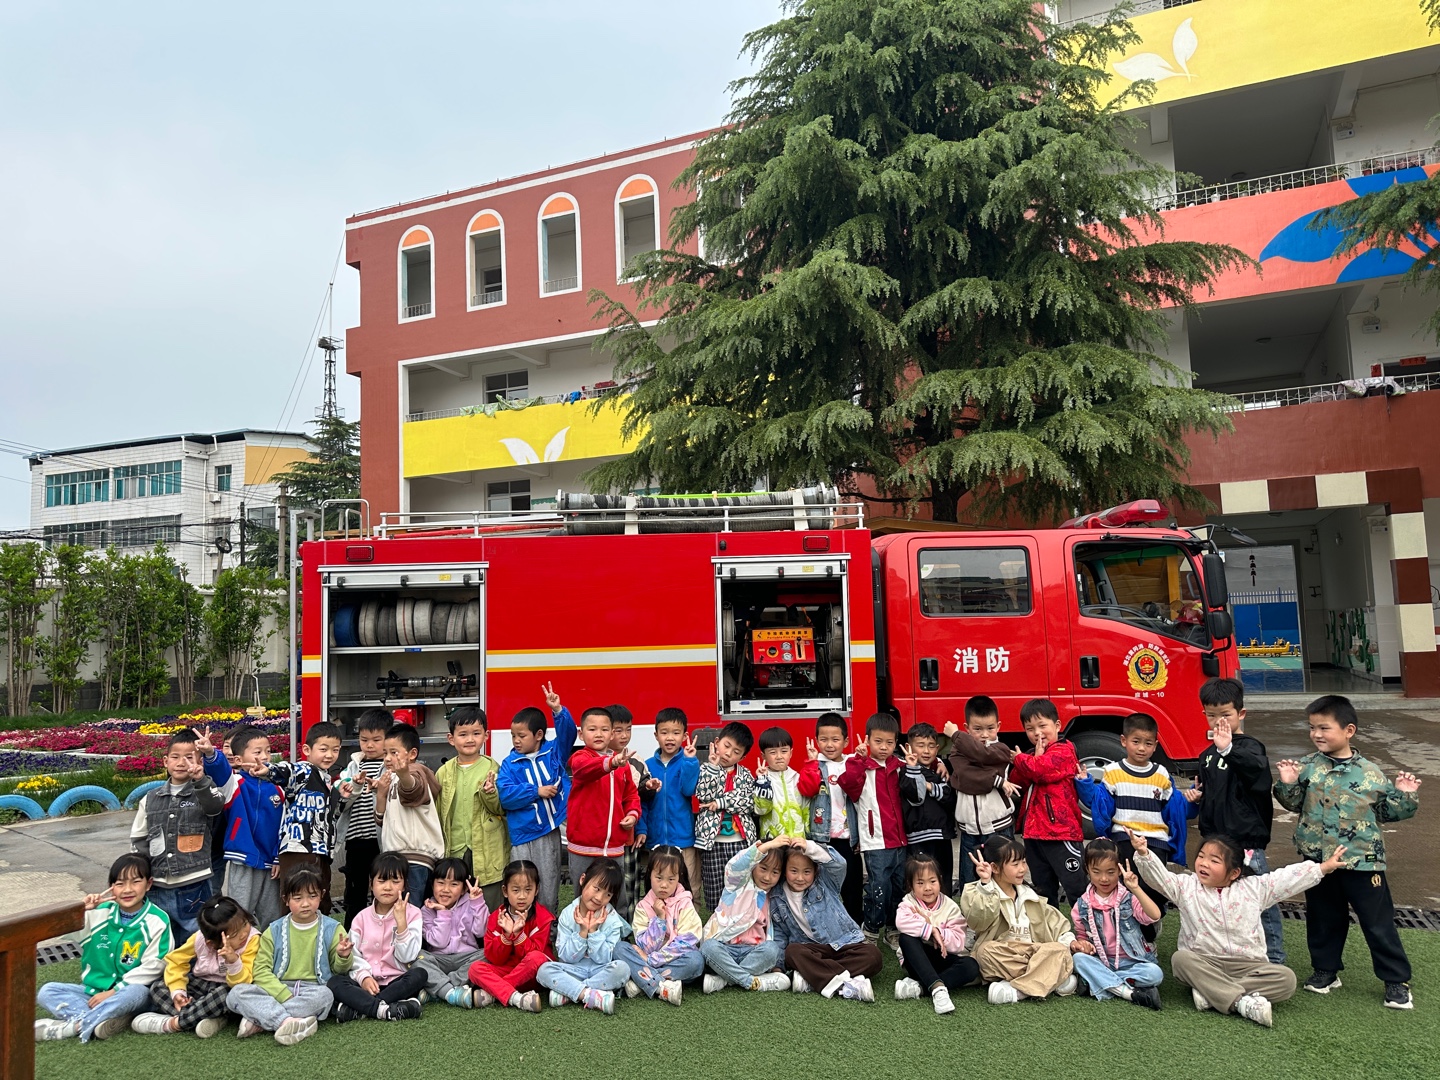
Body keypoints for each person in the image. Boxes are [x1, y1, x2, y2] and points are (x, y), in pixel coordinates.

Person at [1274, 694, 1422, 1010]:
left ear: (1349, 730)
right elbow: (1293, 804)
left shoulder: (1370, 772)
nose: (1316, 734)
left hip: (1363, 861)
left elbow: (1389, 812)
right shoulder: (1307, 767)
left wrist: (1405, 796)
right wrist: (1287, 783)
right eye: (1312, 727)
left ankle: (1396, 981)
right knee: (1323, 917)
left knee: (1378, 923)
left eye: (1324, 728)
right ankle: (1325, 971)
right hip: (1319, 860)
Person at [1132, 829, 1348, 1027]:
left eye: (1214, 860)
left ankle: (1212, 994)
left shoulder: (1254, 889)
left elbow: (1286, 879)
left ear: (1234, 872)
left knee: (1287, 979)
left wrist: (1322, 868)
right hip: (1205, 962)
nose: (1204, 864)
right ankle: (1241, 1002)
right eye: (1201, 856)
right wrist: (1144, 854)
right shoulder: (1185, 887)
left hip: (1249, 965)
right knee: (1180, 960)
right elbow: (1160, 879)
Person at [1192, 677, 1283, 963]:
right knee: (1217, 900)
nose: (1219, 721)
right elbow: (1211, 794)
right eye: (1211, 715)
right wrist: (1197, 797)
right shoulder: (1207, 755)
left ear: (1241, 713)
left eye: (1226, 714)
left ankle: (1274, 958)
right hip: (1215, 842)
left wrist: (1228, 750)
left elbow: (1258, 775)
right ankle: (1226, 953)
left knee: (1260, 900)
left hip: (1246, 843)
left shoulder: (1250, 748)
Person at [35, 854, 172, 1043]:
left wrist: (113, 992)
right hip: (91, 993)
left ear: (148, 884)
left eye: (136, 882)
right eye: (120, 884)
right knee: (47, 991)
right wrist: (81, 909)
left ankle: (74, 1027)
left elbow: (155, 966)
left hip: (130, 994)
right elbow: (55, 930)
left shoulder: (158, 920)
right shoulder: (98, 913)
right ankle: (104, 1019)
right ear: (111, 887)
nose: (128, 890)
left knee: (137, 992)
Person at [1074, 712, 1180, 941]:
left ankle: (1150, 930)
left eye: (1148, 743)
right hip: (1123, 839)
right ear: (1124, 741)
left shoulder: (1161, 773)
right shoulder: (1113, 772)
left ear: (1155, 745)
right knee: (1124, 888)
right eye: (1136, 741)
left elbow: (1173, 809)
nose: (1142, 748)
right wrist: (1084, 783)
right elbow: (1099, 803)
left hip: (1155, 842)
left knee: (1154, 888)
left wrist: (1191, 800)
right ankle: (1126, 936)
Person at [226, 864, 351, 1045]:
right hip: (275, 989)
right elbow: (260, 971)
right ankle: (288, 1022)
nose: (305, 904)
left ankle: (260, 1020)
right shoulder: (274, 930)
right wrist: (284, 995)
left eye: (312, 896)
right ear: (286, 899)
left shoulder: (333, 929)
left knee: (326, 996)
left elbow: (340, 971)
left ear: (322, 895)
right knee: (236, 993)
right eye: (298, 898)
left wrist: (343, 956)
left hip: (313, 990)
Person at [960, 837, 1080, 1004]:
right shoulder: (977, 891)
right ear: (995, 867)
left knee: (1059, 950)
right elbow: (978, 921)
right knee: (984, 952)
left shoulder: (1030, 895)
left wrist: (1071, 942)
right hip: (1003, 954)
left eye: (1023, 862)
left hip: (1034, 952)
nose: (1022, 868)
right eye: (1015, 864)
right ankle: (1052, 977)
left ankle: (1017, 992)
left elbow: (1057, 926)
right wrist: (986, 885)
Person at [129, 728, 224, 936]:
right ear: (165, 761)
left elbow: (215, 806)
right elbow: (139, 839)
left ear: (200, 762)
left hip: (195, 883)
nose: (182, 762)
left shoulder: (205, 790)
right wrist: (140, 875)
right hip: (157, 884)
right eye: (175, 757)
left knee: (197, 936)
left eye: (189, 757)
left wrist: (200, 780)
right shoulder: (150, 798)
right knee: (160, 934)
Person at [496, 681, 577, 922]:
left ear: (539, 735)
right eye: (513, 736)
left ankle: (548, 933)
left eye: (521, 736)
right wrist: (536, 791)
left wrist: (558, 711)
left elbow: (569, 735)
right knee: (521, 888)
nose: (516, 740)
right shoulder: (509, 764)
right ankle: (519, 931)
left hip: (548, 832)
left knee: (548, 886)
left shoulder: (553, 752)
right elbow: (506, 796)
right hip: (522, 836)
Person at [770, 837, 882, 1002]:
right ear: (784, 869)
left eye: (806, 872)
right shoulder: (777, 897)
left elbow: (839, 864)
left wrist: (810, 847)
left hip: (843, 945)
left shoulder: (825, 883)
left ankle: (812, 978)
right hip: (812, 950)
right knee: (792, 952)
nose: (800, 878)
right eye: (793, 871)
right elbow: (780, 935)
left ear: (816, 871)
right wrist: (778, 967)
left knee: (873, 956)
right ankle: (844, 984)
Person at [130, 895, 260, 1037]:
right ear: (211, 943)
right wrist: (178, 992)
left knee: (226, 995)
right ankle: (207, 1016)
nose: (244, 933)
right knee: (158, 987)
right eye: (235, 934)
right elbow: (176, 961)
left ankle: (173, 1024)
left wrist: (233, 960)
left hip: (228, 988)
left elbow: (244, 983)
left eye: (245, 923)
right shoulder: (199, 939)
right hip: (201, 986)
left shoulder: (252, 939)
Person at [199, 724, 286, 930]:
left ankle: (268, 948)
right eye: (257, 752)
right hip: (243, 859)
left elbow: (284, 826)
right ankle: (238, 948)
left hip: (271, 863)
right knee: (239, 913)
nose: (265, 757)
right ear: (238, 760)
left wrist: (278, 857)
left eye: (268, 751)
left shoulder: (279, 788)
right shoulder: (234, 784)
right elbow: (219, 771)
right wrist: (210, 753)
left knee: (272, 916)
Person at [837, 713, 908, 951]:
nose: (884, 747)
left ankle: (893, 929)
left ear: (896, 742)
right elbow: (848, 784)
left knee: (898, 888)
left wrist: (936, 763)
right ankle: (870, 929)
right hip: (875, 841)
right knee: (878, 889)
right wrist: (858, 759)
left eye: (889, 742)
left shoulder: (899, 767)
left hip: (900, 841)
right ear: (867, 740)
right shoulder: (861, 767)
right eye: (878, 741)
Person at [328, 852, 425, 1022]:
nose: (388, 887)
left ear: (405, 885)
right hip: (364, 984)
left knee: (419, 975)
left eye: (395, 881)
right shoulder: (361, 918)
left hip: (397, 981)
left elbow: (407, 957)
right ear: (371, 884)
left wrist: (401, 924)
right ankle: (385, 1009)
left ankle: (361, 1009)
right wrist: (364, 978)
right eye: (382, 881)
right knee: (335, 982)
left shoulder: (413, 914)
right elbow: (355, 957)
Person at [1006, 699, 1085, 906]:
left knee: (1076, 887)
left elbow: (1040, 770)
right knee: (1043, 890)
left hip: (1061, 833)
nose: (1037, 733)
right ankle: (1050, 925)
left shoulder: (1064, 751)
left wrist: (1021, 759)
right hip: (1034, 834)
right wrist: (1030, 759)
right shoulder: (1033, 756)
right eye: (1030, 729)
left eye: (1042, 726)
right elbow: (1017, 782)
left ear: (1057, 726)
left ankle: (1087, 925)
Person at [1069, 838, 1163, 1010]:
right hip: (1101, 961)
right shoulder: (1081, 905)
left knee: (1155, 974)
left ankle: (1098, 981)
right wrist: (1082, 945)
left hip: (1132, 962)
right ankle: (1128, 993)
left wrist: (1135, 888)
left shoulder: (1128, 898)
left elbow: (1154, 915)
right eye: (1096, 872)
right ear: (1087, 870)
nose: (1104, 878)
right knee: (1078, 959)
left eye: (1110, 872)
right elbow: (1082, 937)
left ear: (1120, 870)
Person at [537, 857, 631, 1014]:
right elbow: (565, 957)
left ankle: (569, 993)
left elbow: (605, 959)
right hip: (572, 970)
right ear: (582, 880)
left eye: (607, 894)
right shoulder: (567, 914)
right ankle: (590, 994)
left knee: (622, 969)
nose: (599, 898)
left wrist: (593, 931)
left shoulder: (612, 919)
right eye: (597, 888)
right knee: (544, 970)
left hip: (600, 970)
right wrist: (582, 933)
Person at [270, 720, 346, 915]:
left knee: (321, 900)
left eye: (335, 750)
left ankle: (319, 933)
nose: (330, 755)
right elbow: (288, 771)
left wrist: (344, 796)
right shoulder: (304, 770)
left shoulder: (326, 779)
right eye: (323, 749)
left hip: (320, 851)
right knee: (295, 900)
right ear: (307, 750)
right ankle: (289, 934)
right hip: (297, 849)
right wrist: (269, 770)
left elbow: (331, 816)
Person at [436, 705, 507, 910]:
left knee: (490, 905)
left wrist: (490, 793)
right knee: (454, 904)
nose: (470, 739)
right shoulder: (443, 772)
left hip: (487, 849)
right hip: (455, 848)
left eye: (476, 733)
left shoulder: (494, 768)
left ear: (486, 735)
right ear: (451, 739)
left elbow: (501, 809)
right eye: (463, 734)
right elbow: (438, 813)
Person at [944, 695, 1019, 888]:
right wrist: (996, 781)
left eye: (990, 728)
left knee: (1004, 881)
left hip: (999, 827)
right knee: (969, 884)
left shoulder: (1002, 750)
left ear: (999, 726)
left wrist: (956, 735)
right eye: (977, 729)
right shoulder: (958, 750)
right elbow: (964, 774)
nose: (985, 734)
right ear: (967, 728)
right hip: (969, 830)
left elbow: (982, 756)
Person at [614, 845, 703, 1006]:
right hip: (651, 958)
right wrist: (659, 919)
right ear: (649, 875)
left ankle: (643, 981)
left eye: (671, 879)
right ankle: (660, 985)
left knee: (696, 961)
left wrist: (652, 960)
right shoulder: (643, 906)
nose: (664, 885)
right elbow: (644, 946)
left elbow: (687, 942)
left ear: (679, 877)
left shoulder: (685, 903)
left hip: (672, 961)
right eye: (659, 877)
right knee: (620, 948)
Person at [699, 838, 790, 993]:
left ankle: (724, 980)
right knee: (708, 947)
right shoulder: (737, 884)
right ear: (753, 865)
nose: (767, 877)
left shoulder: (776, 897)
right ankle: (750, 981)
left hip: (753, 953)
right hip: (725, 949)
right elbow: (735, 866)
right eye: (763, 869)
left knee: (772, 950)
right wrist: (765, 847)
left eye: (775, 872)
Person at [566, 706, 642, 890]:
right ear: (581, 734)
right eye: (592, 729)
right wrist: (611, 763)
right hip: (583, 847)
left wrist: (632, 814)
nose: (599, 734)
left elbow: (631, 795)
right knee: (583, 896)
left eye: (605, 729)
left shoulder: (622, 764)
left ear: (611, 734)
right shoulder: (579, 758)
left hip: (615, 846)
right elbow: (585, 769)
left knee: (616, 897)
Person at [894, 851, 979, 1015]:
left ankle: (921, 987)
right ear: (911, 885)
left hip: (942, 957)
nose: (927, 888)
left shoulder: (950, 906)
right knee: (906, 938)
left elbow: (958, 942)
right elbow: (901, 922)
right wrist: (930, 930)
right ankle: (938, 989)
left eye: (932, 881)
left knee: (971, 966)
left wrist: (940, 933)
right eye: (920, 883)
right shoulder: (909, 902)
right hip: (917, 961)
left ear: (940, 880)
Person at [798, 713, 862, 922]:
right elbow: (807, 790)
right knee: (822, 887)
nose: (830, 744)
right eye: (824, 739)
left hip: (848, 838)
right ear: (817, 741)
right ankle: (825, 925)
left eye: (835, 739)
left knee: (852, 887)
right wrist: (810, 763)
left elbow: (859, 794)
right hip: (821, 838)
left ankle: (854, 926)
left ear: (846, 741)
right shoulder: (815, 765)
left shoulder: (851, 763)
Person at [467, 859, 552, 1012]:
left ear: (536, 890)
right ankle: (517, 998)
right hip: (508, 969)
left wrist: (519, 935)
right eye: (516, 890)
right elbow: (494, 958)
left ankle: (493, 993)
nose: (522, 896)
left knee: (537, 958)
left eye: (528, 890)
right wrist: (506, 936)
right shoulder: (496, 917)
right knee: (475, 968)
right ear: (505, 891)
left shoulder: (543, 917)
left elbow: (536, 956)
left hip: (532, 976)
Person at [375, 722, 444, 904]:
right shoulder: (392, 778)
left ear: (412, 754)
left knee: (410, 910)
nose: (387, 758)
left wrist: (404, 775)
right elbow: (381, 820)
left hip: (415, 860)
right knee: (397, 911)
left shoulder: (415, 771)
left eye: (394, 752)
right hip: (396, 858)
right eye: (385, 753)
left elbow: (412, 790)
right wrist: (381, 794)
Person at [695, 721, 759, 913]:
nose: (728, 753)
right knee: (715, 889)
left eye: (736, 751)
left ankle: (740, 924)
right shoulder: (705, 769)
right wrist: (713, 769)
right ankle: (716, 926)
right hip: (712, 843)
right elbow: (703, 795)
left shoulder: (745, 775)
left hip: (740, 841)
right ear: (717, 742)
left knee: (740, 889)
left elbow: (748, 801)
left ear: (743, 756)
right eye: (726, 746)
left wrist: (720, 802)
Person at [337, 708, 392, 928]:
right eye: (364, 739)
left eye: (376, 740)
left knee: (385, 888)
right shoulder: (352, 767)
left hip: (382, 840)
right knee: (355, 892)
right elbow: (342, 801)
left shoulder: (390, 767)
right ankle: (352, 934)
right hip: (356, 840)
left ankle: (383, 932)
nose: (369, 745)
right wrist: (353, 786)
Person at [642, 708, 702, 908]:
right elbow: (643, 802)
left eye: (676, 733)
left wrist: (690, 761)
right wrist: (642, 830)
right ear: (656, 735)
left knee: (690, 886)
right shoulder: (647, 765)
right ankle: (659, 924)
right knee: (658, 887)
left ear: (684, 736)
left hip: (683, 838)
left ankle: (691, 924)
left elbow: (688, 789)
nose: (670, 738)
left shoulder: (688, 762)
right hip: (657, 839)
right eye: (664, 732)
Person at [415, 857, 489, 1007]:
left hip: (466, 957)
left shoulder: (471, 902)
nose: (446, 889)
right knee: (416, 958)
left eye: (454, 884)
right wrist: (442, 912)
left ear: (464, 889)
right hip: (438, 960)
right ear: (432, 884)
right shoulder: (426, 910)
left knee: (488, 954)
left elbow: (481, 932)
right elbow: (439, 942)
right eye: (440, 883)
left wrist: (477, 903)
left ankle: (440, 988)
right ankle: (451, 990)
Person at [607, 703, 657, 921]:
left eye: (628, 729)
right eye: (618, 730)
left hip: (629, 836)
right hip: (604, 838)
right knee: (606, 883)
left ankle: (631, 928)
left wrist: (649, 788)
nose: (624, 735)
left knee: (630, 885)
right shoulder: (598, 761)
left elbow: (641, 799)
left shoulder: (636, 762)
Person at [901, 723, 956, 896]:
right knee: (921, 880)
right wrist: (913, 769)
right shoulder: (905, 772)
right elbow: (916, 795)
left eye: (931, 746)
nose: (926, 751)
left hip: (942, 835)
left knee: (943, 878)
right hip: (918, 837)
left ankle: (945, 909)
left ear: (937, 749)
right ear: (909, 747)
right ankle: (919, 910)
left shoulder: (939, 771)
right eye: (921, 745)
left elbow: (950, 798)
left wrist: (929, 786)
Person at [754, 726, 811, 840]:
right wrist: (763, 783)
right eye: (773, 752)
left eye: (784, 751)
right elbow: (761, 810)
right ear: (763, 755)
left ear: (791, 753)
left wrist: (807, 838)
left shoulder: (798, 779)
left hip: (798, 840)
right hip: (772, 841)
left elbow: (806, 810)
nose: (779, 757)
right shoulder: (761, 781)